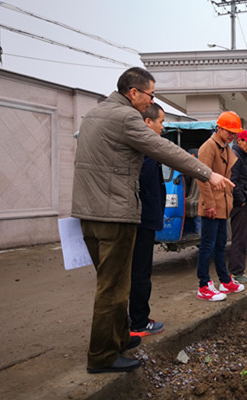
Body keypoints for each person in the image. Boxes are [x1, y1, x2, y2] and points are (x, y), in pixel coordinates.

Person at [72, 67, 233, 374]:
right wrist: (207, 173)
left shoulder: (94, 115)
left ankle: (120, 338)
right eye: (150, 95)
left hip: (88, 213)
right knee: (114, 286)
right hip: (114, 214)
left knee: (114, 280)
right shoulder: (126, 117)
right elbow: (163, 149)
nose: (152, 101)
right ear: (133, 92)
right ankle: (102, 356)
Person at [196, 111, 246, 301]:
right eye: (229, 131)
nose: (233, 135)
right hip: (212, 205)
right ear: (220, 128)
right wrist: (209, 204)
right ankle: (203, 285)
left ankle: (224, 281)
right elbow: (202, 177)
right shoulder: (209, 147)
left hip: (223, 204)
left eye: (234, 132)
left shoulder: (225, 147)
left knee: (219, 245)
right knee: (207, 245)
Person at [128, 103, 166, 338]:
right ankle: (139, 323)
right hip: (141, 221)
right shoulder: (144, 151)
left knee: (139, 272)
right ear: (147, 123)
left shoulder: (146, 149)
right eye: (160, 122)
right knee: (140, 273)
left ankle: (138, 317)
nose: (163, 127)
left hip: (144, 219)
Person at [228, 130, 247, 284]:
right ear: (239, 141)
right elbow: (233, 182)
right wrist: (241, 201)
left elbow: (244, 182)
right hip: (238, 204)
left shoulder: (242, 156)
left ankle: (237, 271)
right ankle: (236, 273)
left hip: (244, 202)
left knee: (241, 237)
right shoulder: (236, 157)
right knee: (239, 238)